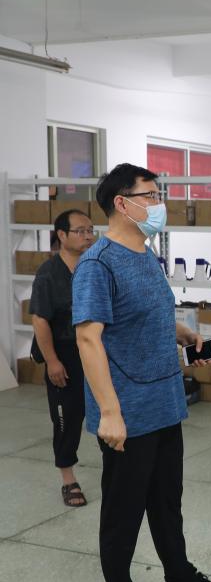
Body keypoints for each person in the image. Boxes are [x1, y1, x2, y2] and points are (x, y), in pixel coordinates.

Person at [74, 164, 211, 582]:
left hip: (165, 400)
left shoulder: (145, 253)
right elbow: (88, 338)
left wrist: (183, 335)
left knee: (167, 501)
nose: (159, 203)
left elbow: (147, 313)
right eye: (151, 194)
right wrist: (109, 412)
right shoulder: (98, 264)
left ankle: (180, 580)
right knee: (123, 513)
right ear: (122, 203)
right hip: (128, 411)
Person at [30, 208, 96, 506]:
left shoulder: (95, 267)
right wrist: (53, 361)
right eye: (80, 231)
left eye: (90, 230)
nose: (88, 236)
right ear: (62, 235)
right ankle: (68, 479)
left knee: (105, 409)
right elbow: (40, 320)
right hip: (64, 353)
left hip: (94, 350)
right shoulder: (49, 273)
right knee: (67, 418)